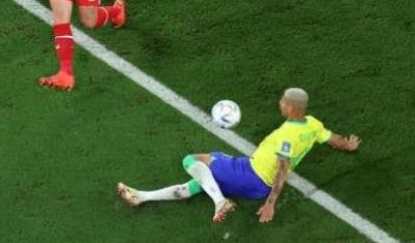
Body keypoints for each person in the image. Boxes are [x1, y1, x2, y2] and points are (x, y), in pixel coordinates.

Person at [117, 88, 361, 222]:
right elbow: (332, 139)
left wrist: (270, 204)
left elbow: (282, 168)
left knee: (192, 160)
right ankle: (142, 197)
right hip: (253, 178)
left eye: (283, 101)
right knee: (201, 181)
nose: (280, 103)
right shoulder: (313, 124)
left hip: (250, 175)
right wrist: (347, 145)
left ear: (290, 107)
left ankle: (220, 202)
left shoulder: (287, 136)